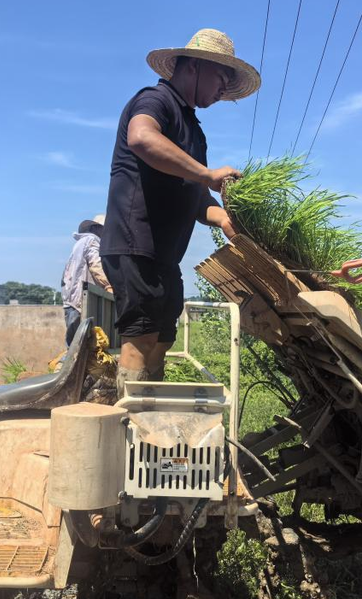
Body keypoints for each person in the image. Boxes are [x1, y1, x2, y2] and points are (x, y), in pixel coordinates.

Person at [100, 28, 261, 394]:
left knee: (162, 339)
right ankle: (132, 430)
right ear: (194, 66)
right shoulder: (156, 101)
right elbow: (141, 139)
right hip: (134, 242)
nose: (224, 90)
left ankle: (148, 412)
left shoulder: (193, 129)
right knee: (140, 339)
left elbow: (194, 192)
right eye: (222, 77)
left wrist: (221, 217)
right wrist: (207, 173)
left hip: (164, 253)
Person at [61, 214, 112, 345]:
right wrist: (108, 286)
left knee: (75, 346)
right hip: (80, 301)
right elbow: (96, 264)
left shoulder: (81, 243)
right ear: (98, 229)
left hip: (72, 301)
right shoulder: (92, 241)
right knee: (79, 347)